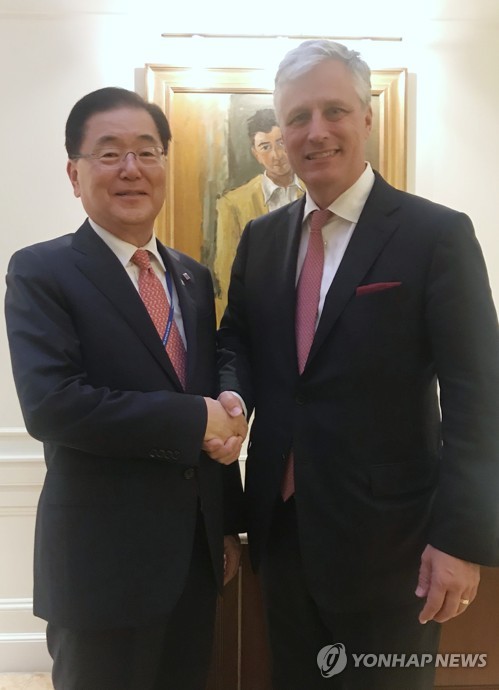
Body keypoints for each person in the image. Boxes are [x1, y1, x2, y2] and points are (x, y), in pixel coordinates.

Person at [216, 40, 499, 689]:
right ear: (280, 132)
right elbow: (236, 342)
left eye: (334, 110)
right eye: (297, 117)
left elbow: (477, 395)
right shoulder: (261, 239)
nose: (315, 131)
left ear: (365, 118)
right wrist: (230, 396)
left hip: (394, 547)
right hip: (281, 533)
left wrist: (460, 541)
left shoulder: (435, 235)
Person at [4, 86, 247, 690]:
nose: (131, 168)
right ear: (74, 173)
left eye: (147, 151)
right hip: (100, 569)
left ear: (165, 163)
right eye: (109, 153)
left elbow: (209, 377)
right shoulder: (41, 271)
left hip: (193, 561)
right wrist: (196, 419)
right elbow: (54, 406)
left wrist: (225, 522)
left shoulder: (191, 276)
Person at [214, 108, 304, 321]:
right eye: (265, 147)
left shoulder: (317, 193)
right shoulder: (234, 203)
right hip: (259, 317)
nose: (276, 155)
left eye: (281, 143)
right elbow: (226, 272)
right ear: (255, 153)